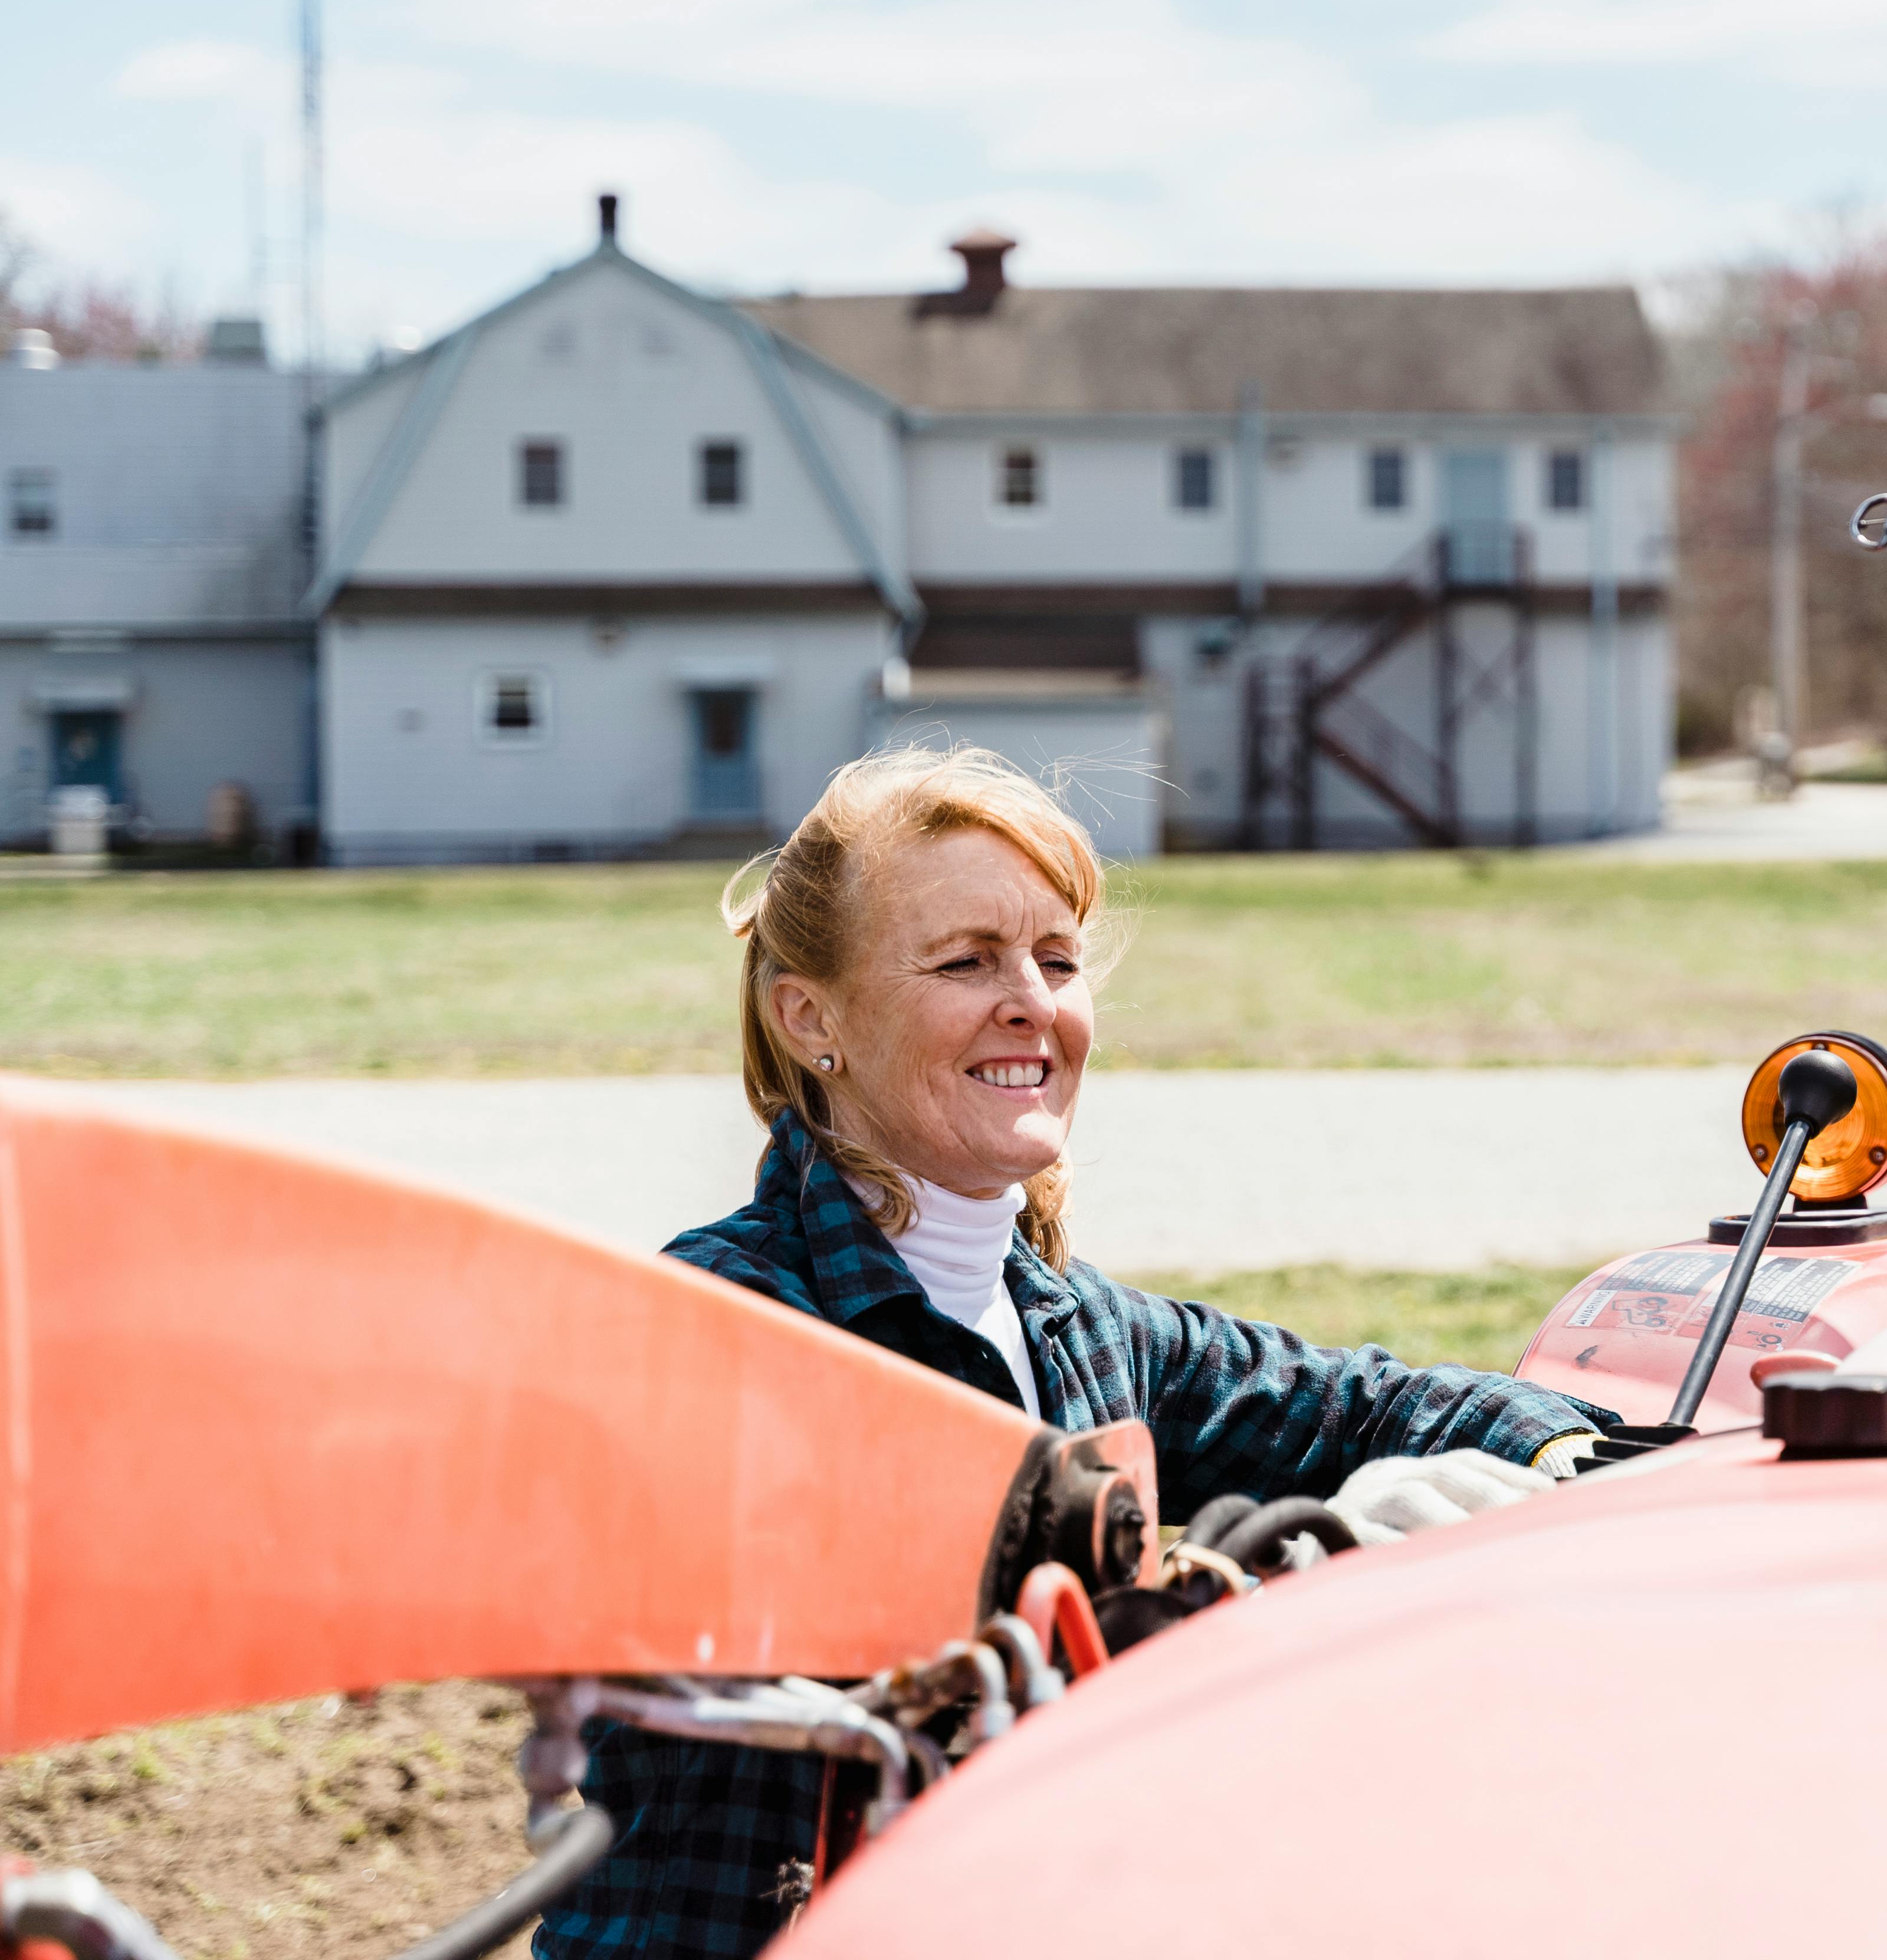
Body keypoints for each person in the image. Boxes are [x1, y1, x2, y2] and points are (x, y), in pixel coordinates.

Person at [536, 747, 1613, 1956]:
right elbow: (862, 1632)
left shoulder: (1082, 1323)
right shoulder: (722, 1313)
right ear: (811, 1015)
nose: (1031, 1001)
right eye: (966, 960)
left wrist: (1591, 1447)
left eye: (1056, 959)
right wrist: (1207, 1600)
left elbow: (1357, 1406)